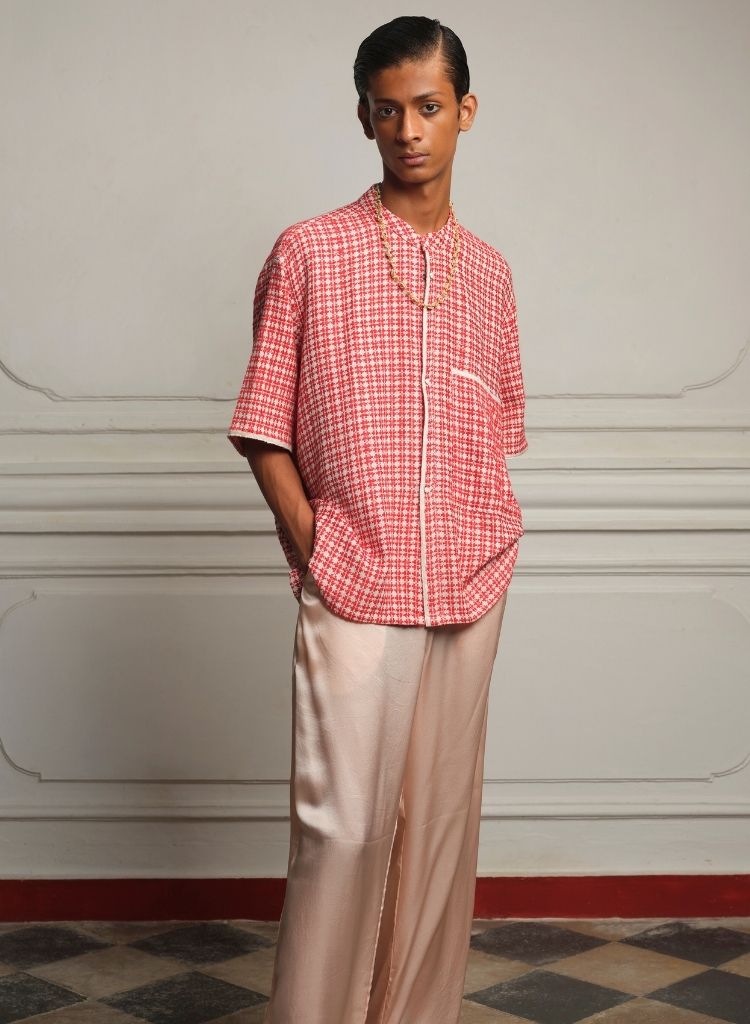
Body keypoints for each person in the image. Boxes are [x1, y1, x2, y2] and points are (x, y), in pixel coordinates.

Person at [227, 15, 528, 1024]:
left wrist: (491, 531)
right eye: (388, 110)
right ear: (364, 118)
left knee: (438, 833)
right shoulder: (308, 252)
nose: (409, 129)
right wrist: (315, 544)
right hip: (354, 573)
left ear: (465, 112)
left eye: (428, 107)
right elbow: (263, 426)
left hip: (469, 580)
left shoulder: (491, 273)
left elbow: (497, 429)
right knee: (343, 831)